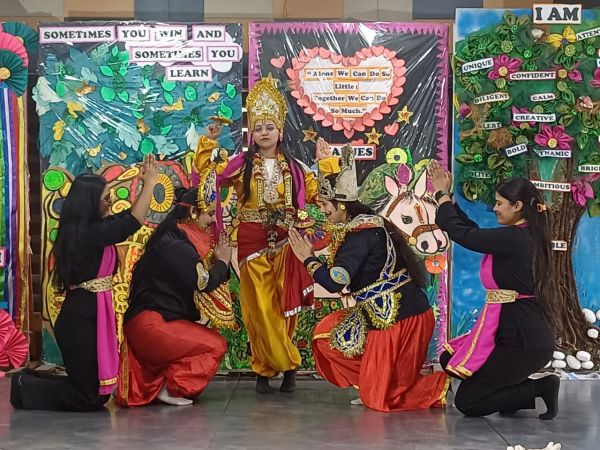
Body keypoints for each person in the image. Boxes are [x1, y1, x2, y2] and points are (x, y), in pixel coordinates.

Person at [193, 78, 337, 393]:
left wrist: (326, 163)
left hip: (288, 243)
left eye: (270, 127)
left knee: (285, 306)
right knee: (259, 308)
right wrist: (207, 145)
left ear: (280, 131)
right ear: (252, 135)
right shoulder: (241, 165)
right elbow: (209, 181)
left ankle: (272, 369)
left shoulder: (295, 168)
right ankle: (282, 364)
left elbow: (319, 196)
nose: (264, 132)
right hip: (252, 241)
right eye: (258, 128)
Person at [287, 144, 449, 412]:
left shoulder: (361, 234)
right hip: (386, 316)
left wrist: (308, 259)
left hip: (400, 320)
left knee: (381, 399)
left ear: (341, 205)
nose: (323, 211)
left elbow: (335, 282)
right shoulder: (366, 226)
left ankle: (435, 385)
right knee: (325, 336)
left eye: (325, 205)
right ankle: (373, 380)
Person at [10, 155, 158, 411]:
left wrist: (145, 184)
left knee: (94, 393)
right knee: (88, 397)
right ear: (90, 202)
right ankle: (24, 387)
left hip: (88, 313)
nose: (110, 201)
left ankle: (28, 380)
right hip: (79, 318)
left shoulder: (94, 228)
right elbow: (131, 223)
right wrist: (150, 184)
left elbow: (126, 218)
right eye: (106, 198)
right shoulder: (87, 234)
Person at [428, 160, 559, 420]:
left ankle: (541, 387)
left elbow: (465, 235)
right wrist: (450, 202)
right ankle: (509, 390)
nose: (495, 208)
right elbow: (471, 231)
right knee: (449, 361)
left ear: (517, 206)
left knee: (468, 403)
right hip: (512, 335)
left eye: (499, 203)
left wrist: (441, 195)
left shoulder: (515, 239)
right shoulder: (518, 235)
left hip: (524, 343)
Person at [116, 172, 234, 407]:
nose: (213, 221)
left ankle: (165, 383)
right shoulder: (176, 244)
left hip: (158, 321)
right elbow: (202, 281)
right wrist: (222, 262)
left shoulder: (176, 237)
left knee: (207, 337)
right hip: (152, 325)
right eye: (210, 214)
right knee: (216, 345)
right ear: (194, 213)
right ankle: (174, 388)